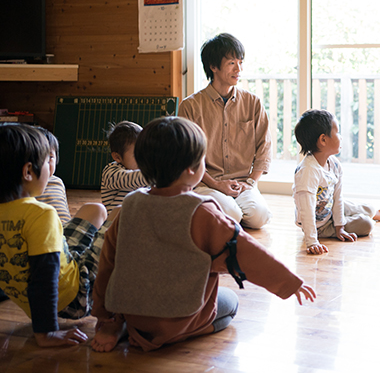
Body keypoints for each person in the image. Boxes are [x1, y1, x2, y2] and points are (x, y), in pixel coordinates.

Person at [91, 117, 316, 352]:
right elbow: (247, 253)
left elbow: (107, 263)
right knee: (229, 303)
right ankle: (165, 336)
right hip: (179, 319)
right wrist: (290, 283)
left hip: (134, 314)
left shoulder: (129, 206)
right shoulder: (202, 212)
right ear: (192, 169)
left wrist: (103, 315)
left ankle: (120, 327)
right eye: (203, 161)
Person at [0, 123, 109, 347]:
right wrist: (46, 333)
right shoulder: (40, 214)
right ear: (28, 172)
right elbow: (44, 276)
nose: (51, 170)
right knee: (122, 215)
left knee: (94, 210)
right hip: (76, 296)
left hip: (40, 297)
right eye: (46, 163)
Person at [179, 33, 272, 229]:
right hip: (206, 183)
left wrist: (251, 182)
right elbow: (187, 156)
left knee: (259, 217)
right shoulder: (190, 106)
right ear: (213, 66)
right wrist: (215, 184)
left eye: (240, 62)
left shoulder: (252, 102)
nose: (239, 69)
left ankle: (225, 215)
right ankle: (224, 213)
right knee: (232, 213)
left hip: (242, 182)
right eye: (232, 63)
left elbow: (265, 146)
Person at [292, 109, 380, 255]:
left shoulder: (335, 165)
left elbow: (337, 197)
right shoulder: (308, 172)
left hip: (329, 207)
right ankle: (367, 216)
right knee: (366, 224)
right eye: (337, 132)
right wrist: (312, 241)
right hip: (320, 225)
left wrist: (340, 227)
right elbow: (307, 210)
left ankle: (371, 212)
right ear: (323, 140)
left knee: (368, 208)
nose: (341, 137)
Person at [101, 121, 148, 212]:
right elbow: (131, 179)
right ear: (117, 157)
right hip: (116, 223)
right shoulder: (111, 172)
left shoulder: (145, 173)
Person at [34, 126, 71, 225]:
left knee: (96, 209)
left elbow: (65, 212)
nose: (45, 163)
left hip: (63, 232)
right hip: (42, 233)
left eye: (50, 157)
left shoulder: (57, 182)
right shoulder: (23, 185)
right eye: (39, 157)